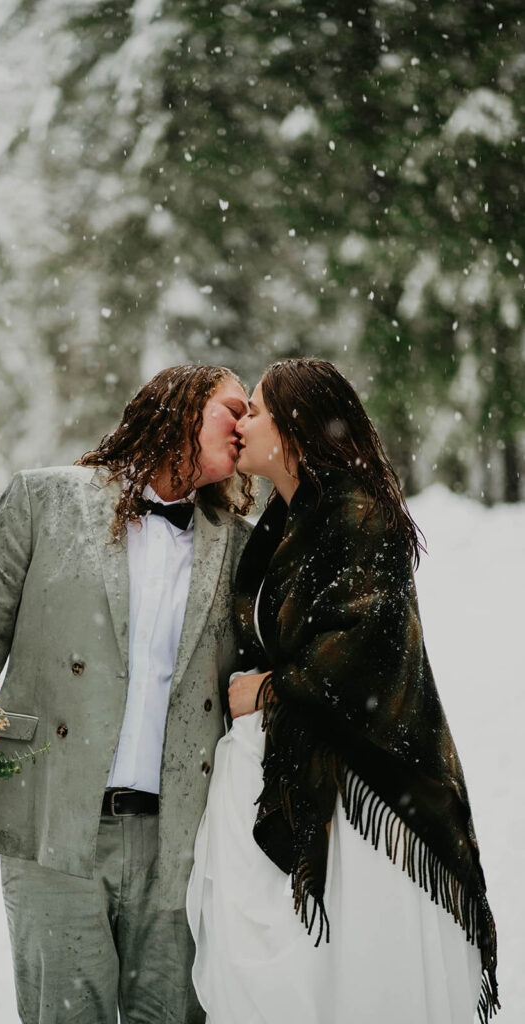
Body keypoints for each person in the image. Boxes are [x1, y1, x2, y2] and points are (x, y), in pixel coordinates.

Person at [187, 357, 498, 1024]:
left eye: (258, 409)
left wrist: (265, 691)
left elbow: (357, 652)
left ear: (296, 431)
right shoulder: (285, 518)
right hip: (290, 771)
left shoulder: (359, 514)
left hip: (356, 788)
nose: (242, 422)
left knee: (350, 981)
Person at [0, 364, 253, 1024]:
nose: (247, 422)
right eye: (234, 407)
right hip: (53, 822)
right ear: (179, 409)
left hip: (183, 840)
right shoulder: (42, 501)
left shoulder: (242, 547)